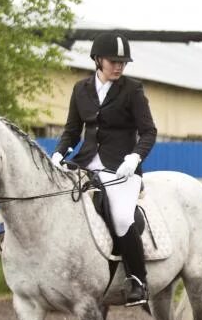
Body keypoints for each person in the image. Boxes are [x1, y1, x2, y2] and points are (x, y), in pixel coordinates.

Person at [52, 31, 157, 306]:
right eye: (114, 61)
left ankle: (138, 280)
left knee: (122, 217)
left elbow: (149, 132)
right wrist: (58, 153)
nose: (119, 66)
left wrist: (134, 158)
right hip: (85, 164)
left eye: (123, 62)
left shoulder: (132, 90)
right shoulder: (81, 89)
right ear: (98, 60)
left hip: (121, 170)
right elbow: (72, 130)